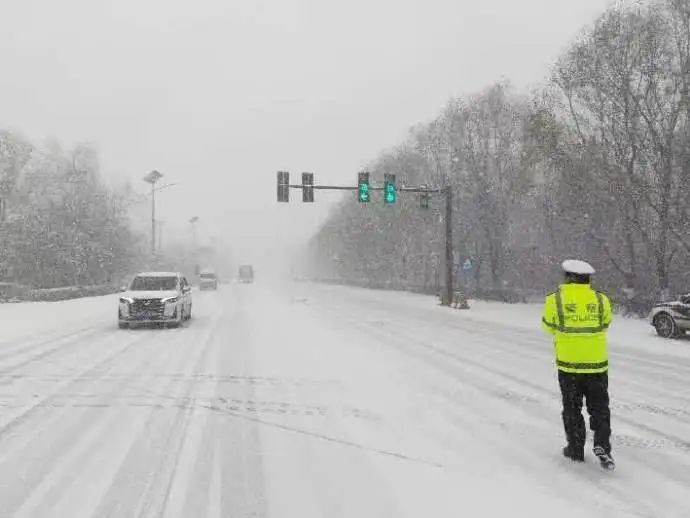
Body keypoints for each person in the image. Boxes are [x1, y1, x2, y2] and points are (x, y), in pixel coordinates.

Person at [541, 259, 615, 469]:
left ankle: (575, 448)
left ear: (569, 277)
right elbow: (606, 323)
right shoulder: (601, 299)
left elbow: (548, 325)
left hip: (569, 365)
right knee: (600, 408)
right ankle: (602, 444)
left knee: (572, 408)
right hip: (597, 365)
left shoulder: (554, 300)